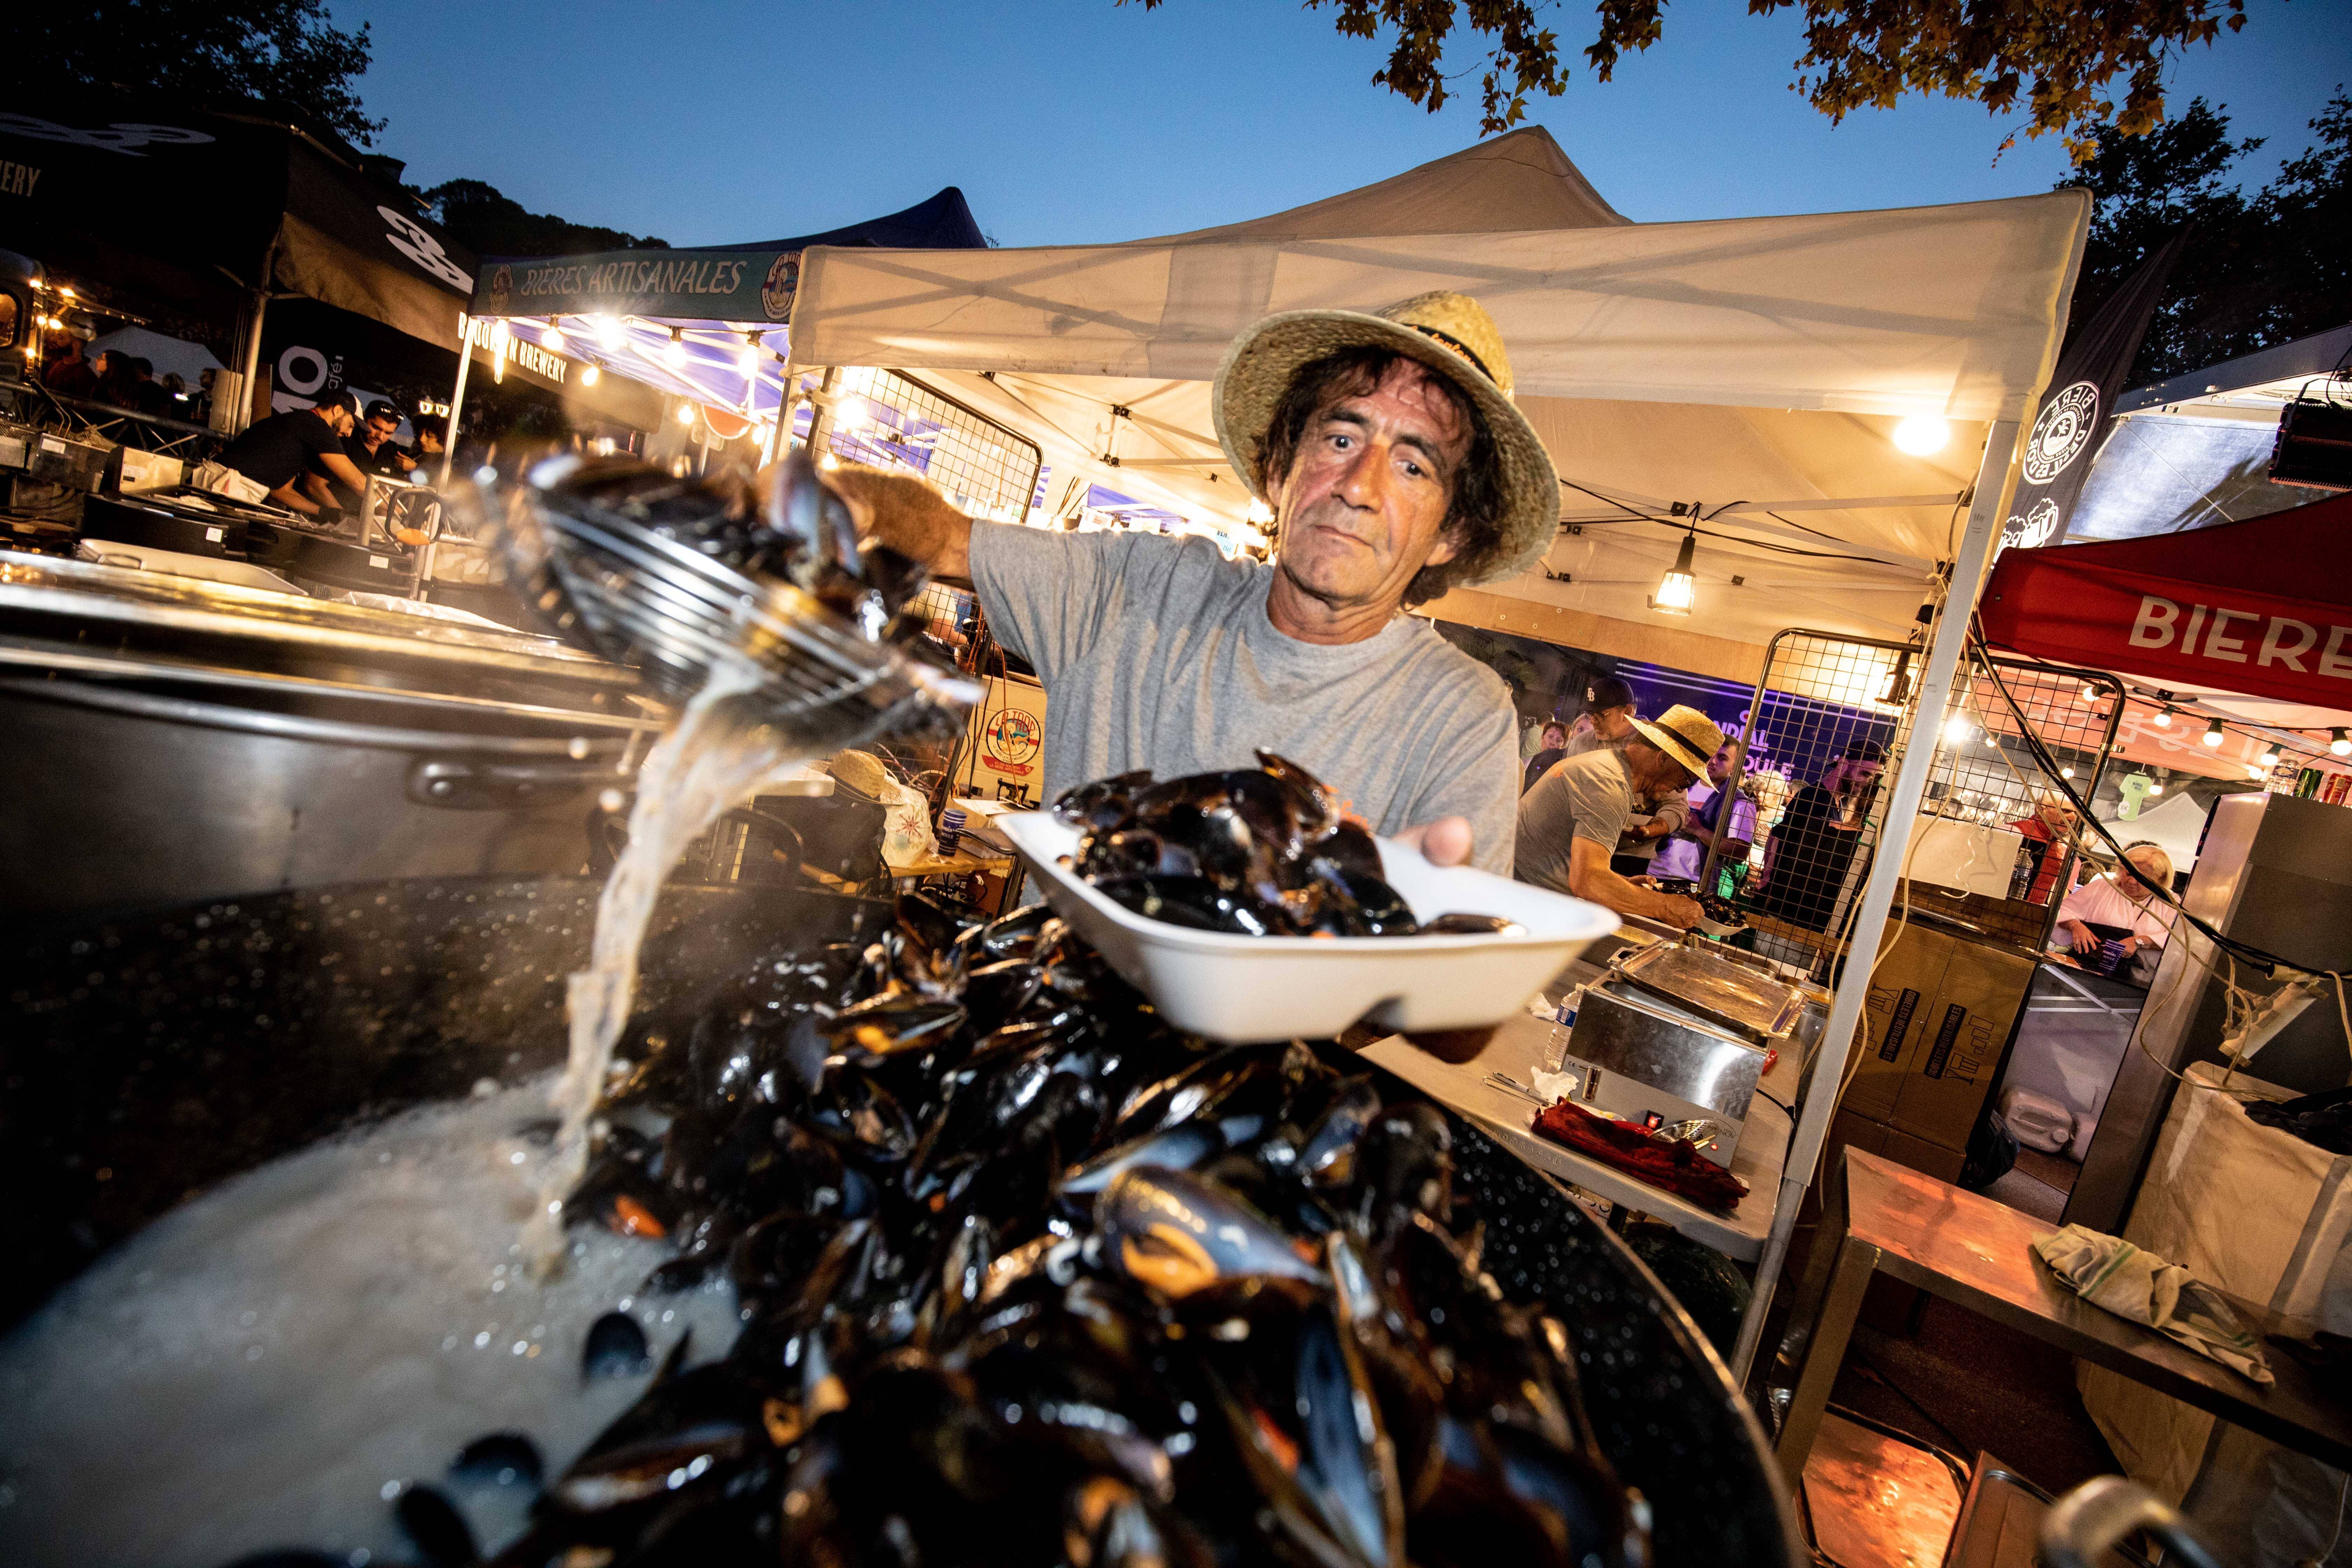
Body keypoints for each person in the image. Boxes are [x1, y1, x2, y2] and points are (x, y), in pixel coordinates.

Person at [826, 289, 1560, 880]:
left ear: (1450, 534)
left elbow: (1459, 1025)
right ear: (1280, 470)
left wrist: (1403, 926)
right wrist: (840, 501)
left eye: (1413, 466)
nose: (1359, 487)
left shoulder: (1462, 716)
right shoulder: (1140, 589)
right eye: (1340, 439)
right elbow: (941, 532)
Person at [1514, 705, 1723, 928]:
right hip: (1516, 899)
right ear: (1662, 759)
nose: (1682, 790)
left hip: (1520, 891)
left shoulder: (1610, 766)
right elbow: (1588, 881)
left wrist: (1621, 885)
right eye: (1688, 779)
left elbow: (1571, 863)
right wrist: (1664, 906)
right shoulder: (1610, 786)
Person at [1752, 741, 1885, 931]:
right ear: (1844, 764)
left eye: (1873, 777)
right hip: (1782, 913)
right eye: (1865, 773)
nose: (1867, 782)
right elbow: (1777, 836)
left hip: (1794, 914)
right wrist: (1767, 882)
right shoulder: (1813, 798)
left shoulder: (1835, 804)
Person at [211, 391, 372, 517]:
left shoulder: (298, 424)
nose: (349, 434)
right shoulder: (317, 426)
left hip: (223, 485)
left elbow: (281, 491)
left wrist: (324, 512)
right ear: (337, 411)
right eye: (350, 425)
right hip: (224, 487)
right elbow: (358, 482)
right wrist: (390, 508)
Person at [2052, 842, 2176, 982]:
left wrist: (2138, 942)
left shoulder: (2170, 903)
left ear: (2161, 879)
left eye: (2142, 878)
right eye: (2128, 873)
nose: (2132, 881)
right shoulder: (2102, 887)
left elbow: (2176, 941)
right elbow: (2062, 910)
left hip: (2137, 982)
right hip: (2082, 971)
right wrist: (2075, 925)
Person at [1654, 741, 1758, 884]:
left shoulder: (1740, 802)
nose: (1713, 761)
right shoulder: (1681, 784)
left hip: (1691, 882)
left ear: (1735, 766)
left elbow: (1740, 852)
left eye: (1723, 758)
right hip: (1652, 870)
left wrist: (1699, 831)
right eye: (1711, 755)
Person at [2011, 787, 2081, 905]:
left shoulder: (2059, 847)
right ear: (2042, 810)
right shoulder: (2015, 832)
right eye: (2065, 811)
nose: (2073, 818)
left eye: (2074, 813)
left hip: (2029, 915)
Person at [43, 330, 98, 399]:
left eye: (61, 338)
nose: (53, 339)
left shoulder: (84, 375)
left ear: (77, 345)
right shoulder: (57, 365)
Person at [1521, 721, 1569, 793]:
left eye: (1559, 740)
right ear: (1542, 738)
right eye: (1550, 737)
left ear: (1563, 746)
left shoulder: (1562, 773)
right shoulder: (1524, 764)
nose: (1553, 743)